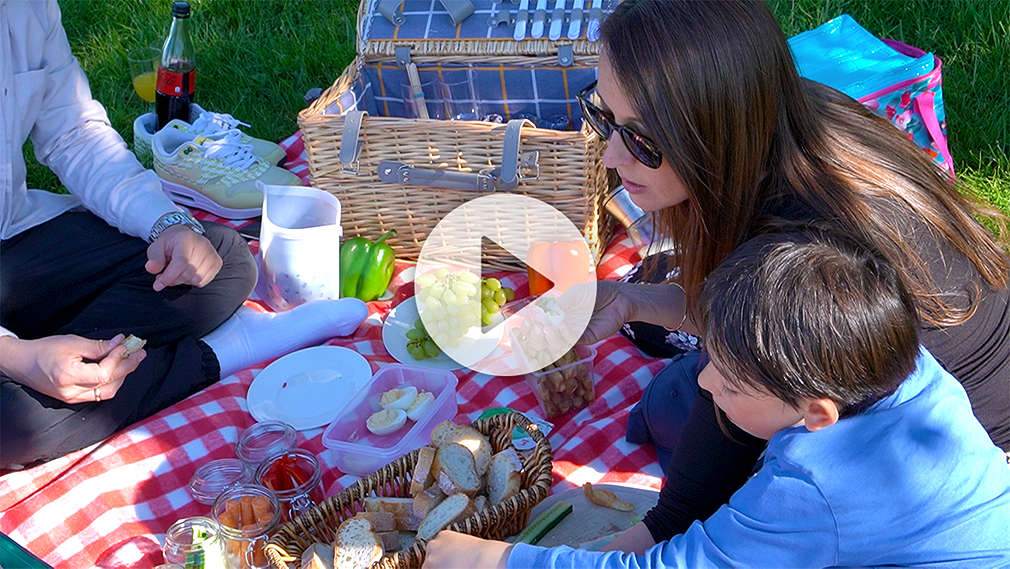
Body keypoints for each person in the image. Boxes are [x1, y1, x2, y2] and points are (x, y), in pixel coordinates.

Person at [558, 0, 1010, 551]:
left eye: (642, 140)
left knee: (674, 408)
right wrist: (634, 302)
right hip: (864, 377)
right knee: (671, 398)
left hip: (948, 448)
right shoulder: (792, 113)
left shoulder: (798, 250)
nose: (609, 156)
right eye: (602, 113)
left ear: (710, 135)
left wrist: (650, 532)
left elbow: (730, 403)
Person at [423, 230, 1010, 568]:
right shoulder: (899, 366)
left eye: (728, 383)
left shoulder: (809, 490)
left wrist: (489, 559)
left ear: (815, 413)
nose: (704, 385)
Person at [0, 0, 366, 470]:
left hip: (17, 240)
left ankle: (71, 359)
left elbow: (72, 136)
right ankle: (220, 353)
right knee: (15, 427)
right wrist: (16, 356)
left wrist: (168, 223)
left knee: (221, 260)